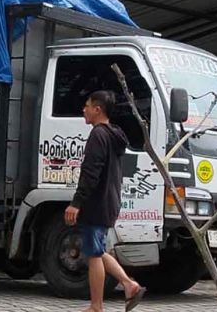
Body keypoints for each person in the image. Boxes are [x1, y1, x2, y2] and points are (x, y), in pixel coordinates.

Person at [64, 90, 145, 312]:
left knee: (93, 255)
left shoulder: (98, 134)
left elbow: (91, 173)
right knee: (98, 250)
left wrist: (76, 203)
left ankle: (96, 306)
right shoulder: (114, 134)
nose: (84, 110)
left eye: (87, 105)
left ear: (97, 109)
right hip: (109, 201)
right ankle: (130, 285)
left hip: (96, 203)